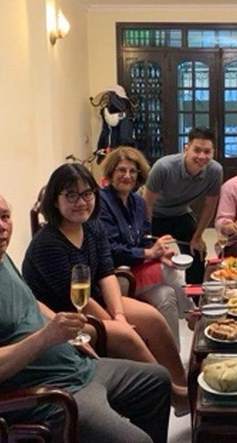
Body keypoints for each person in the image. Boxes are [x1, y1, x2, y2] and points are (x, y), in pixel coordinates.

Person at [0, 190, 171, 443]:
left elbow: (30, 302)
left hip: (78, 369)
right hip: (48, 394)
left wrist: (68, 332)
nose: (0, 227)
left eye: (5, 216)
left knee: (156, 380)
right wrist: (46, 337)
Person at [22, 163, 189, 416]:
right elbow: (78, 298)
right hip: (60, 316)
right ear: (55, 201)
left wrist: (118, 315)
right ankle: (173, 395)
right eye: (71, 195)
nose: (81, 202)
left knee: (153, 318)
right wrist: (114, 324)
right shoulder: (48, 244)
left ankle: (182, 386)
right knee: (125, 336)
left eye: (87, 194)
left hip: (91, 301)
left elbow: (106, 273)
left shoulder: (93, 227)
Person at [98, 145, 192, 343]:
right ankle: (194, 315)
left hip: (135, 270)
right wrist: (149, 255)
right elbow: (110, 250)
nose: (127, 176)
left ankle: (173, 364)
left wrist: (158, 251)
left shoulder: (138, 202)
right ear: (111, 172)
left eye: (133, 171)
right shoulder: (101, 202)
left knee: (166, 297)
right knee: (169, 272)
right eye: (121, 170)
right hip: (113, 278)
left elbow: (142, 239)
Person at [143, 127, 223, 284]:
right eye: (197, 150)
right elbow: (146, 202)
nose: (202, 156)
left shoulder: (215, 171)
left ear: (213, 152)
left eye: (207, 152)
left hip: (180, 212)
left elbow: (209, 206)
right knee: (151, 256)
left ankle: (195, 297)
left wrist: (198, 236)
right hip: (153, 213)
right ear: (186, 149)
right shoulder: (164, 167)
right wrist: (146, 237)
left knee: (198, 251)